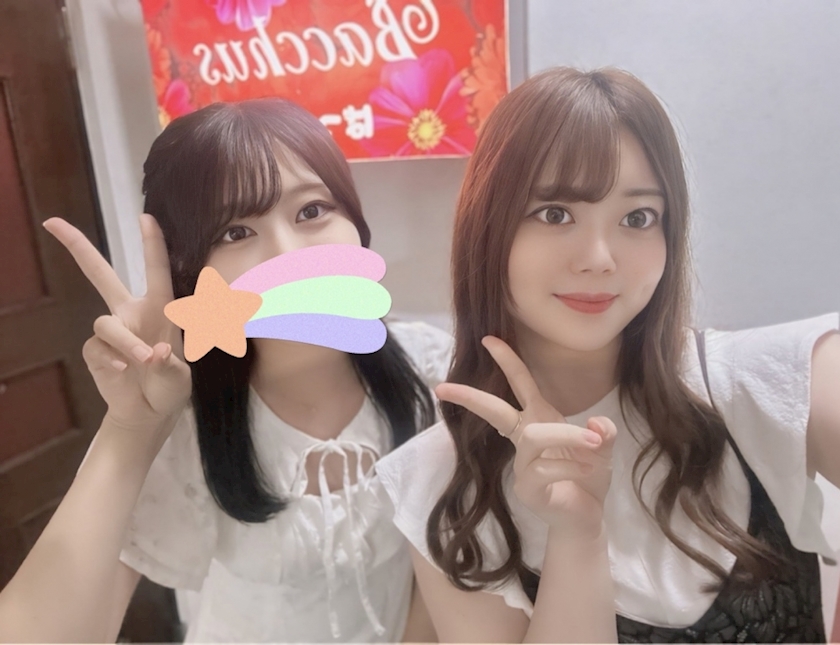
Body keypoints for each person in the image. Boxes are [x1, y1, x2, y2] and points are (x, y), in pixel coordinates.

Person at [375, 66, 840, 643]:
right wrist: (577, 534)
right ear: (486, 228)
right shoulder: (442, 485)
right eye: (555, 213)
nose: (599, 257)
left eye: (637, 218)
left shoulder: (756, 381)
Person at [0, 98, 450, 643]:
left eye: (312, 211)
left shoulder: (430, 370)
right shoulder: (187, 421)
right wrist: (131, 430)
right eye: (235, 232)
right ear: (192, 268)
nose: (286, 256)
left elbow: (440, 559)